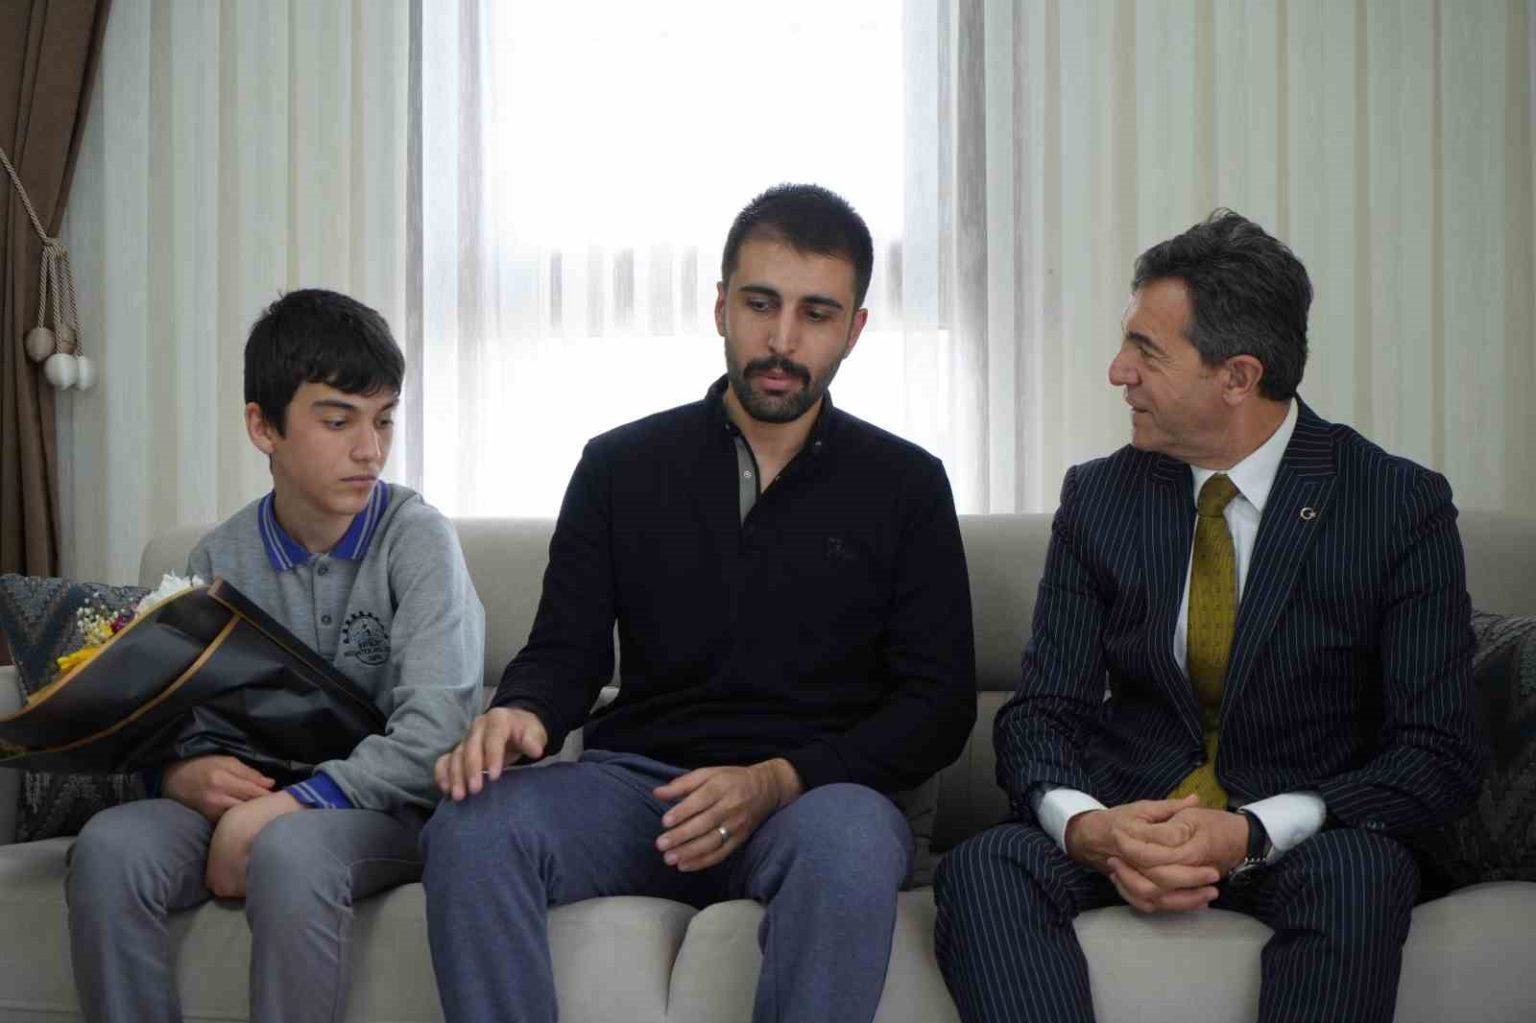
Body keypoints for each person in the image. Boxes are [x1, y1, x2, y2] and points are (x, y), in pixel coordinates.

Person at [422, 183, 976, 1023]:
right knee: (472, 825)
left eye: (816, 313)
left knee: (852, 841)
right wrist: (523, 710)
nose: (782, 340)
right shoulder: (619, 466)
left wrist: (779, 779)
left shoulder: (906, 484)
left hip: (812, 798)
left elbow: (938, 706)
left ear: (855, 330)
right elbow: (565, 651)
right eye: (760, 304)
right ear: (721, 306)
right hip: (638, 791)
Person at [933, 210, 1486, 1023]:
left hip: (1306, 838)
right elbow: (1040, 713)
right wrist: (1089, 827)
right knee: (985, 866)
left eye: (1147, 351)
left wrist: (1255, 830)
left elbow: (1437, 751)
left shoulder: (1397, 504)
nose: (1118, 371)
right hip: (1132, 819)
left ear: (1237, 376)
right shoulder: (1101, 496)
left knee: (1361, 873)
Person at [66, 289, 485, 1023]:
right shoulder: (216, 559)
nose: (371, 449)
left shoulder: (418, 541)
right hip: (255, 793)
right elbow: (169, 720)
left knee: (289, 852)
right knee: (109, 849)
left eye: (384, 418)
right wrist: (179, 774)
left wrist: (284, 809)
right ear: (264, 427)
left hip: (386, 808)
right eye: (339, 421)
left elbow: (435, 739)